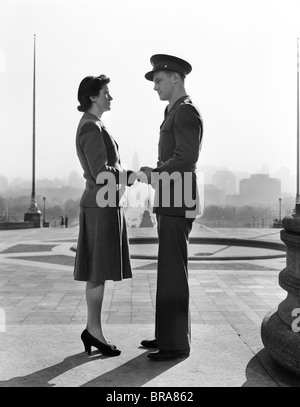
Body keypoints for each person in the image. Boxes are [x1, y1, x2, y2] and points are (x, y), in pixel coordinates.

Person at [140, 54, 203, 361]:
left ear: (176, 78)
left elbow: (186, 158)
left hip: (178, 199)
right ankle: (169, 335)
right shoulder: (173, 111)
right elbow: (173, 158)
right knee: (169, 270)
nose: (155, 87)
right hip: (171, 197)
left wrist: (155, 173)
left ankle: (176, 343)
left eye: (159, 81)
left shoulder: (186, 111)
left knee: (173, 271)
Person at [74, 74, 137, 357]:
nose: (110, 97)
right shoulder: (90, 127)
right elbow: (101, 172)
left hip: (104, 204)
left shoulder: (95, 125)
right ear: (92, 97)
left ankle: (92, 330)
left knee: (97, 272)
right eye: (106, 92)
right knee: (97, 272)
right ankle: (94, 332)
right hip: (100, 206)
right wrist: (130, 175)